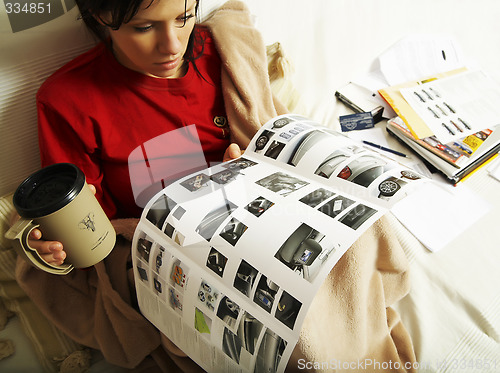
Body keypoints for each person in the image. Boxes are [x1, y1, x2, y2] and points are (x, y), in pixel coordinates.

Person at [15, 0, 285, 371]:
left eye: (184, 18)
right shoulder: (69, 99)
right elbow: (85, 226)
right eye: (144, 28)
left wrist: (243, 168)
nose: (172, 46)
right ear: (101, 17)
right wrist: (55, 245)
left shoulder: (222, 54)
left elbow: (268, 132)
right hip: (172, 251)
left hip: (258, 220)